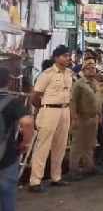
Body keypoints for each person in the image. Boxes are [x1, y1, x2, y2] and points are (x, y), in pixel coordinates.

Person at [28, 45, 74, 192]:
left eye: (68, 56)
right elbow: (35, 96)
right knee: (43, 146)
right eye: (65, 56)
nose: (68, 58)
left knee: (60, 146)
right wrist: (42, 108)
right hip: (49, 111)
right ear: (56, 57)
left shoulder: (69, 73)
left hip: (64, 110)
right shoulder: (47, 74)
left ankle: (56, 177)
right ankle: (35, 181)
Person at [1, 69, 33, 211]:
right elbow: (27, 123)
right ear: (8, 82)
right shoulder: (13, 102)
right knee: (6, 191)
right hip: (6, 154)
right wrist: (25, 143)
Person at [69, 57, 101, 179]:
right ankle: (74, 169)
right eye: (89, 68)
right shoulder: (79, 84)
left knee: (90, 143)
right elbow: (73, 101)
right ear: (84, 69)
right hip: (82, 117)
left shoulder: (95, 83)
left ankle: (89, 166)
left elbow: (98, 100)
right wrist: (74, 117)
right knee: (77, 144)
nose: (92, 70)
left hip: (94, 117)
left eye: (93, 68)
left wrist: (100, 114)